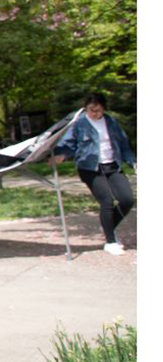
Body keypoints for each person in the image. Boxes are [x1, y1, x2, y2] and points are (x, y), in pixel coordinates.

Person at [56, 94, 135, 253]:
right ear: (86, 108)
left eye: (98, 111)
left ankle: (109, 228)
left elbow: (124, 144)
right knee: (107, 201)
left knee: (127, 200)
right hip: (90, 168)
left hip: (112, 165)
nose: (94, 114)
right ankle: (111, 242)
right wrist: (62, 155)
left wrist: (133, 161)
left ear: (104, 109)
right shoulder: (79, 124)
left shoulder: (111, 122)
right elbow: (67, 144)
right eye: (91, 110)